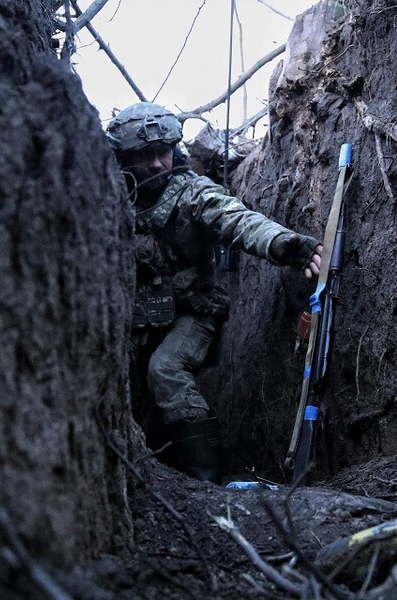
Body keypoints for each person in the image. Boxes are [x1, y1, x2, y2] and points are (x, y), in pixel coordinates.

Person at [106, 102, 322, 484]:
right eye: (145, 155)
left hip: (192, 313)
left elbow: (236, 219)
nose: (158, 163)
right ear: (124, 158)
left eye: (164, 152)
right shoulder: (108, 200)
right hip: (133, 319)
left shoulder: (191, 191)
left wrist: (283, 244)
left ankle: (206, 482)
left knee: (166, 370)